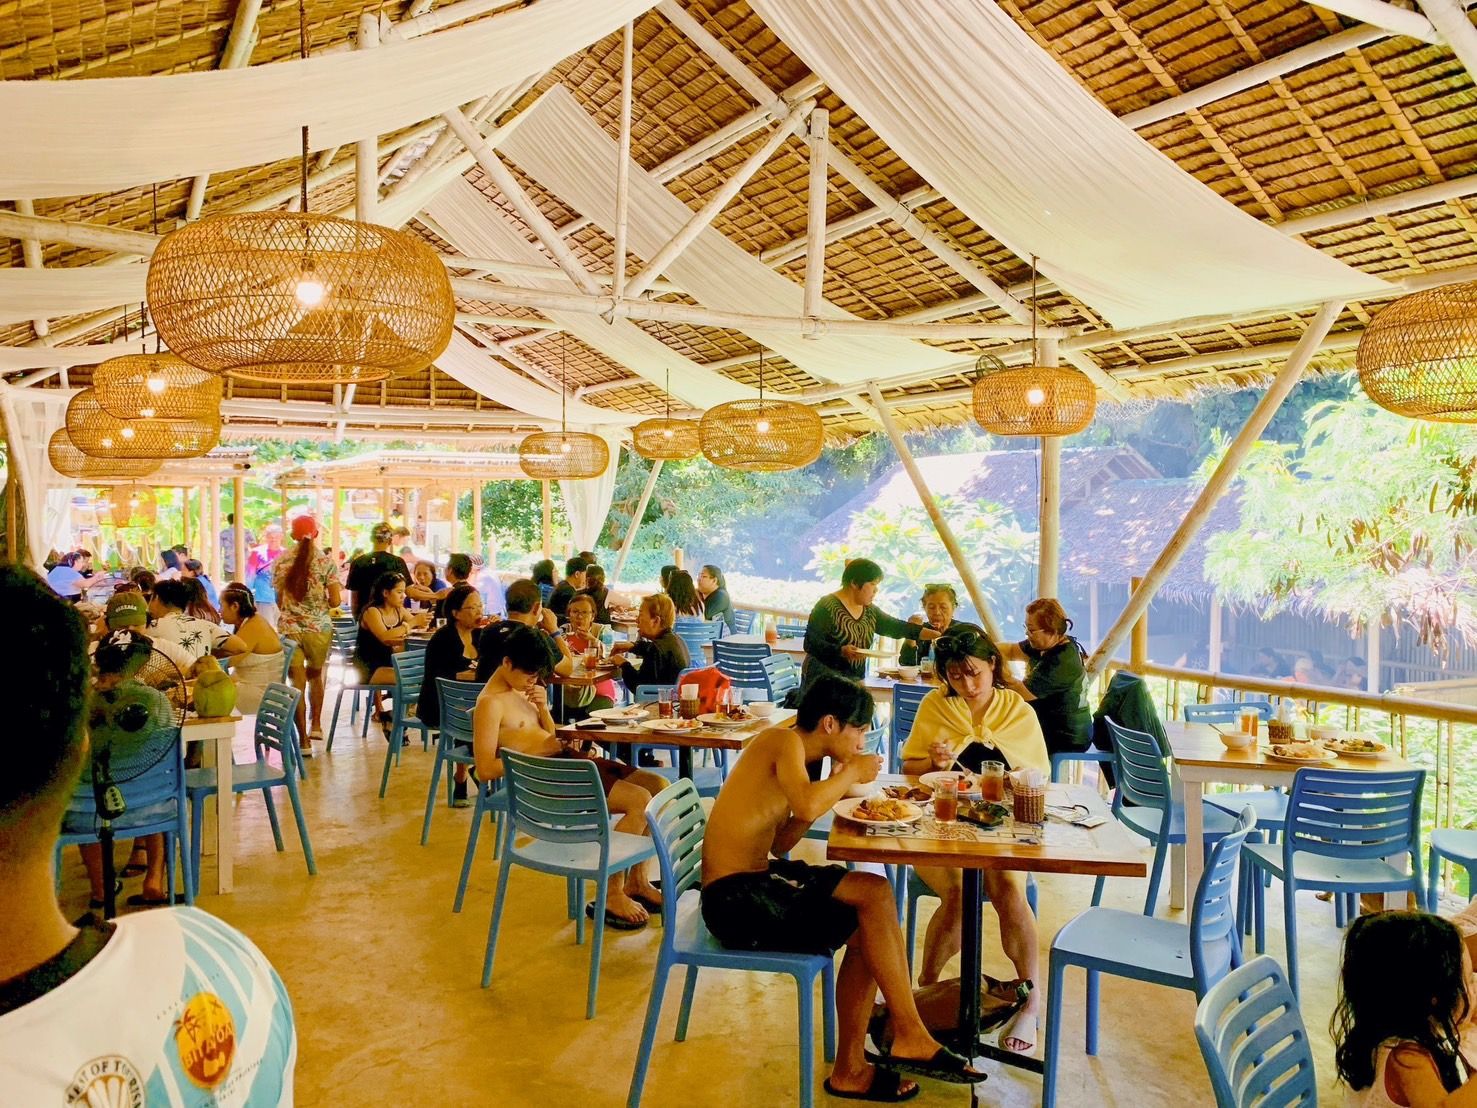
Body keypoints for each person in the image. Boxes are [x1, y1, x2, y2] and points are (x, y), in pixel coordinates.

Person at [0, 566, 297, 1099]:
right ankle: (153, 871)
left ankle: (101, 889)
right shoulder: (223, 967)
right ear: (76, 742)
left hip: (92, 807)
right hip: (155, 801)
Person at [702, 672, 982, 1097]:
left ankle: (895, 1037)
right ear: (830, 723)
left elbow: (783, 842)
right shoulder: (783, 740)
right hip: (734, 901)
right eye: (860, 729)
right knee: (869, 916)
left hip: (756, 879)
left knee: (875, 893)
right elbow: (807, 805)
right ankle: (887, 1044)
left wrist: (834, 782)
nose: (863, 739)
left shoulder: (802, 756)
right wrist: (848, 773)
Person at [899, 626, 1049, 1053]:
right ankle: (925, 993)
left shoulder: (1016, 709)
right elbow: (910, 767)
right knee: (961, 891)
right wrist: (935, 761)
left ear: (993, 665)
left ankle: (1031, 1002)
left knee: (1007, 888)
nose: (967, 684)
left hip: (1001, 827)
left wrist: (1014, 779)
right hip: (941, 825)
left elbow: (1038, 775)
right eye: (956, 676)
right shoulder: (936, 704)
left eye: (974, 673)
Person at [472, 625, 668, 929]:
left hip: (564, 763)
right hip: (545, 779)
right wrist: (540, 752)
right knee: (639, 801)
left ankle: (638, 881)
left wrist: (542, 708)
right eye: (530, 675)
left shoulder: (521, 689)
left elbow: (547, 735)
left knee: (658, 786)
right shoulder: (490, 703)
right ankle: (612, 893)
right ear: (507, 662)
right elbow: (485, 769)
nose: (533, 681)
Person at [1333, 911, 1477, 1107]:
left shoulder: (1405, 1027)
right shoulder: (1406, 1058)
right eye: (1469, 980)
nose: (1475, 988)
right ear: (1434, 999)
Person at [803, 558, 937, 684]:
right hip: (822, 683)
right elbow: (810, 643)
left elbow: (896, 627)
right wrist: (840, 651)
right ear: (854, 583)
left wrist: (936, 635)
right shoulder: (827, 607)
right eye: (872, 584)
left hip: (855, 681)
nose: (876, 590)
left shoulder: (869, 610)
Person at [273, 515, 342, 754]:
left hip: (289, 629)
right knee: (315, 676)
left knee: (297, 683)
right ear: (316, 534)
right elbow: (336, 600)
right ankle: (317, 725)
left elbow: (279, 600)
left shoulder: (280, 561)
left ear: (292, 535)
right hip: (318, 629)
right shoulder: (325, 562)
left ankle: (303, 741)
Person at [996, 597, 1092, 758]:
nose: (1027, 633)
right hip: (1049, 724)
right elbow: (1011, 650)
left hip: (1067, 735)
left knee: (1000, 745)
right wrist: (986, 650)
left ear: (1052, 631)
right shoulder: (1043, 644)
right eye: (1026, 628)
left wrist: (995, 667)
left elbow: (1021, 693)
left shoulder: (1062, 660)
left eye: (1031, 630)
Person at [418, 584, 483, 807]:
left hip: (468, 704)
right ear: (455, 613)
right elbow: (438, 677)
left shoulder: (482, 635)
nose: (479, 612)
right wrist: (466, 676)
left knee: (487, 713)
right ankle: (471, 773)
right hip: (440, 705)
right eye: (472, 608)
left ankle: (473, 772)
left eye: (480, 606)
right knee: (473, 714)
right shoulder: (442, 639)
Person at [357, 573, 421, 727]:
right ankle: (397, 719)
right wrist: (411, 624)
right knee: (416, 681)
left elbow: (417, 624)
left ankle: (394, 719)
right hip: (368, 669)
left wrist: (420, 621)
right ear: (385, 593)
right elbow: (384, 636)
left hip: (388, 665)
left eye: (403, 592)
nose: (403, 596)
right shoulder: (372, 612)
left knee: (421, 677)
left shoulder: (399, 610)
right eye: (399, 592)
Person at [218, 584, 284, 717]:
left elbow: (226, 662)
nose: (219, 611)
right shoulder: (251, 621)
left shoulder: (254, 626)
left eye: (221, 605)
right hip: (250, 687)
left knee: (205, 697)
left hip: (259, 694)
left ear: (235, 606)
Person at [146, 580, 245, 668]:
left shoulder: (151, 627)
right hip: (201, 681)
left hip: (166, 682)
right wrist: (208, 651)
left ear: (156, 598)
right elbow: (241, 647)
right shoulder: (206, 626)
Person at [611, 593, 690, 697]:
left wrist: (624, 664)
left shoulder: (656, 649)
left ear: (656, 621)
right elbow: (651, 649)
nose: (637, 620)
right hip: (675, 700)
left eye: (641, 615)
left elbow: (638, 687)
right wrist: (633, 646)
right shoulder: (677, 640)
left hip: (657, 702)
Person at [562, 594, 617, 719]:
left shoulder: (602, 631)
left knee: (590, 716)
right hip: (569, 691)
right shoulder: (563, 631)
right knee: (556, 714)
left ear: (592, 616)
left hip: (599, 689)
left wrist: (593, 640)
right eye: (575, 612)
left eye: (585, 612)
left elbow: (612, 655)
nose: (579, 616)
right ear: (569, 614)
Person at [346, 522, 412, 618]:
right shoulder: (397, 562)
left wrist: (357, 618)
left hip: (365, 616)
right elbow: (409, 591)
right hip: (391, 617)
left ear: (371, 539)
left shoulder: (358, 562)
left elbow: (354, 597)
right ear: (390, 541)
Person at [900, 583, 959, 667]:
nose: (937, 612)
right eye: (931, 607)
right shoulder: (921, 630)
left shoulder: (964, 631)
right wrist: (911, 634)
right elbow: (905, 664)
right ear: (924, 608)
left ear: (953, 608)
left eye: (943, 607)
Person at [246, 524, 285, 625]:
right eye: (270, 537)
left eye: (276, 537)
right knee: (267, 627)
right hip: (263, 597)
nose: (273, 539)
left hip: (282, 599)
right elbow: (250, 576)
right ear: (266, 537)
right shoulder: (256, 553)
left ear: (281, 536)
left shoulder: (286, 554)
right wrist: (248, 597)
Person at [696, 563, 735, 632]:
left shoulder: (721, 596)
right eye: (699, 576)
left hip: (725, 637)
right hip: (710, 634)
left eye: (703, 576)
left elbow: (701, 617)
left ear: (714, 580)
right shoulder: (706, 593)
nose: (699, 579)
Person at [548, 556, 588, 620]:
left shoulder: (562, 585)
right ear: (577, 574)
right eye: (585, 574)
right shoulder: (568, 592)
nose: (585, 579)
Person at [470, 553, 507, 621]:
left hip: (492, 613)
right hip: (498, 609)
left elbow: (472, 592)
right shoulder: (488, 571)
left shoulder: (482, 577)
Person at [219, 511, 254, 577]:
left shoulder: (223, 533)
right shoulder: (246, 531)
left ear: (228, 521)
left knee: (230, 583)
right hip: (245, 565)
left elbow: (218, 550)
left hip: (229, 566)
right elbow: (253, 546)